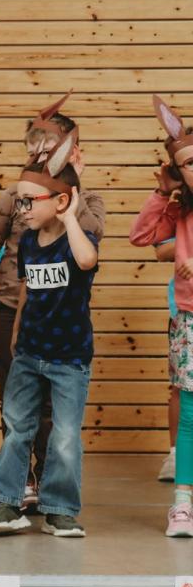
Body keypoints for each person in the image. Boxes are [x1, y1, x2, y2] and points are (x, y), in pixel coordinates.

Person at [0, 93, 105, 511]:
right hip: (12, 308)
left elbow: (91, 236)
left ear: (71, 151)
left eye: (51, 144)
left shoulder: (86, 200)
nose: (40, 150)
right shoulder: (15, 196)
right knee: (14, 400)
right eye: (34, 143)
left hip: (57, 315)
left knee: (53, 409)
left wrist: (72, 190)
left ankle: (46, 478)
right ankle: (19, 479)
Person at [130, 95, 193, 536]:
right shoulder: (179, 207)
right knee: (190, 413)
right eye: (188, 164)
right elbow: (141, 237)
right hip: (189, 317)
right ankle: (183, 505)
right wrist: (160, 193)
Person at [154, 238, 180, 482]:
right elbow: (162, 251)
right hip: (184, 312)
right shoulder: (182, 216)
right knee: (180, 385)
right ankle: (176, 456)